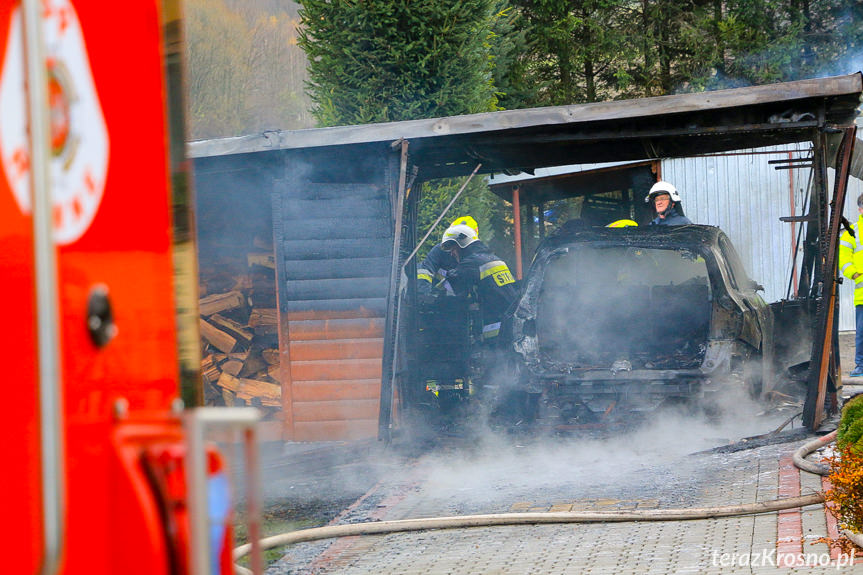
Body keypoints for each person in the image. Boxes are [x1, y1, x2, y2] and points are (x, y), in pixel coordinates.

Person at [440, 223, 518, 345]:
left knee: (494, 361)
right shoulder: (494, 258)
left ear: (462, 244)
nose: (451, 253)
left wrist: (431, 296)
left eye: (453, 248)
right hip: (511, 323)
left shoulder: (471, 264)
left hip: (495, 328)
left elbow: (450, 288)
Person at [417, 215, 479, 296]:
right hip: (436, 299)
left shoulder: (479, 260)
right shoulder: (440, 250)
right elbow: (425, 271)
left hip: (463, 305)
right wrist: (423, 295)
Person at [839, 194, 863, 376]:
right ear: (860, 209)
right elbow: (844, 260)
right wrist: (854, 273)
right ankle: (861, 365)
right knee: (862, 332)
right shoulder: (851, 233)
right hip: (862, 294)